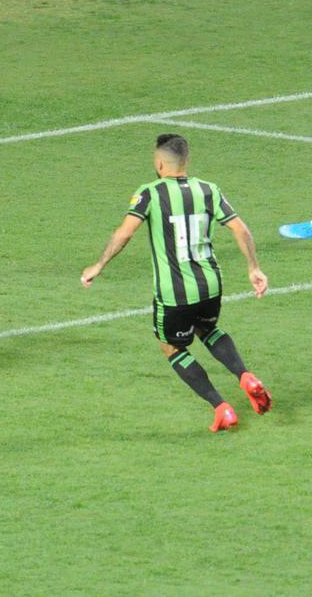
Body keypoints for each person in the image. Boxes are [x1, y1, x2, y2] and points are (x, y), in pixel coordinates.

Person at [80, 133, 272, 432]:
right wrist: (254, 268)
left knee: (171, 346)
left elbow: (125, 233)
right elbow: (240, 228)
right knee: (206, 327)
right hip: (210, 284)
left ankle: (222, 408)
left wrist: (99, 264)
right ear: (186, 161)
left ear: (159, 162)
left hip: (174, 293)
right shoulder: (208, 189)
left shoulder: (150, 193)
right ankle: (246, 376)